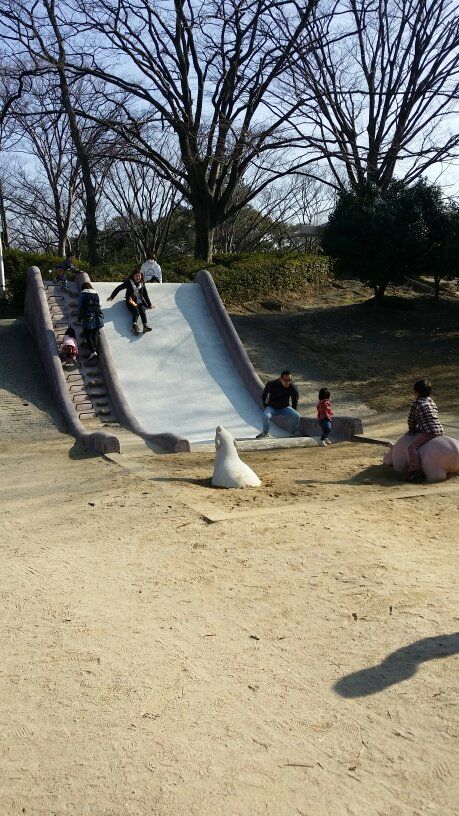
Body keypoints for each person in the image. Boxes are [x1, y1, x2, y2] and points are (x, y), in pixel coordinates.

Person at [406, 379, 444, 482]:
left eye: (414, 393)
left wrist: (412, 431)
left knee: (412, 447)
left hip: (429, 432)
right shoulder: (431, 401)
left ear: (416, 393)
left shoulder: (416, 403)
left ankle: (415, 471)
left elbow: (411, 420)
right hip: (439, 430)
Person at [256, 370, 300, 439]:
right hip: (272, 407)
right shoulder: (271, 384)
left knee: (296, 415)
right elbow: (264, 395)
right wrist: (265, 405)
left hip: (284, 407)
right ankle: (265, 432)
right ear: (280, 379)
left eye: (289, 380)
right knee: (265, 416)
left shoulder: (292, 387)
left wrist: (294, 410)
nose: (287, 382)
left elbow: (295, 399)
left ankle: (293, 432)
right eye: (285, 380)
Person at [107, 270, 154, 335]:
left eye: (139, 276)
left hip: (140, 301)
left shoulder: (142, 284)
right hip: (131, 301)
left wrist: (149, 304)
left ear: (141, 276)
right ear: (133, 276)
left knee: (142, 311)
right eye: (136, 276)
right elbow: (118, 288)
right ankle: (134, 326)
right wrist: (112, 296)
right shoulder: (128, 283)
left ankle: (145, 326)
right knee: (136, 312)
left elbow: (145, 294)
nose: (138, 277)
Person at [77, 282, 103, 360]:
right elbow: (98, 305)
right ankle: (94, 350)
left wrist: (79, 317)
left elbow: (80, 306)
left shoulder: (83, 294)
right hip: (97, 316)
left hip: (88, 316)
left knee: (88, 334)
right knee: (94, 334)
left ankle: (92, 351)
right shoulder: (96, 294)